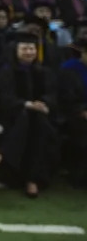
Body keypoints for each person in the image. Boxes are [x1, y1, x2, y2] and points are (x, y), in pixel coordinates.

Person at [0, 32, 59, 197]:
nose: (29, 52)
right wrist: (26, 104)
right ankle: (32, 181)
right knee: (30, 119)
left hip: (40, 117)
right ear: (16, 50)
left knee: (39, 122)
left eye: (31, 48)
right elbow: (3, 98)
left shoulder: (44, 72)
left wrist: (44, 104)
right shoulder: (7, 72)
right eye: (24, 48)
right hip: (13, 116)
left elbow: (53, 95)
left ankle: (4, 153)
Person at [59, 38, 87, 187]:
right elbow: (67, 97)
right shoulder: (69, 69)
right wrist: (82, 111)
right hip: (73, 113)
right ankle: (78, 176)